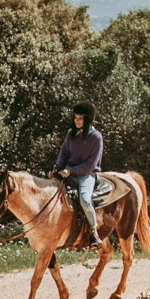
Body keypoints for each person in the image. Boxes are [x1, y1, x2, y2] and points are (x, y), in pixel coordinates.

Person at [52, 103, 105, 245]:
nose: (77, 121)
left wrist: (71, 171)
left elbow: (91, 164)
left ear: (88, 120)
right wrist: (57, 167)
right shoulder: (71, 133)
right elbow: (64, 153)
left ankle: (94, 233)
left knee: (85, 200)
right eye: (75, 117)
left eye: (80, 118)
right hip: (68, 171)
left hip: (86, 175)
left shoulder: (96, 137)